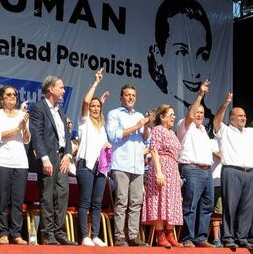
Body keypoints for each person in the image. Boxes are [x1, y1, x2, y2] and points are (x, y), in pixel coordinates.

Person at [147, 0, 214, 135]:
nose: (195, 72)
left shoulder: (214, 124)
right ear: (158, 56)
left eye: (202, 55)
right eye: (182, 53)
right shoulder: (169, 126)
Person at [29, 75, 76, 245]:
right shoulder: (38, 108)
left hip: (62, 158)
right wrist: (44, 159)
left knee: (62, 194)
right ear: (50, 89)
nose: (63, 91)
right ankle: (47, 233)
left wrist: (69, 155)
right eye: (61, 87)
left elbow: (67, 135)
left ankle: (59, 232)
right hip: (48, 158)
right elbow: (37, 135)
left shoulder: (60, 110)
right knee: (47, 195)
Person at [106, 84, 151, 247]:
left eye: (133, 95)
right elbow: (113, 136)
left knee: (136, 202)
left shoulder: (139, 115)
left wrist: (146, 126)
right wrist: (137, 126)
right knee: (122, 201)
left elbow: (146, 139)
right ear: (121, 97)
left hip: (138, 165)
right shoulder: (114, 114)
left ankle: (133, 236)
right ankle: (119, 236)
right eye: (127, 95)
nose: (131, 97)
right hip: (121, 164)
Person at [0, 85, 30, 245]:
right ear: (2, 98)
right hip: (3, 160)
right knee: (2, 199)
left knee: (18, 200)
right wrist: (17, 128)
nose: (12, 96)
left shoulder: (22, 114)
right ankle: (3, 233)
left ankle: (16, 233)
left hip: (20, 162)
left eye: (14, 94)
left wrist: (24, 127)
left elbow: (26, 139)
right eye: (8, 94)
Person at [176, 80, 215, 247]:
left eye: (202, 113)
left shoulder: (203, 131)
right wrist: (200, 95)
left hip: (207, 172)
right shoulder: (184, 126)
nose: (199, 115)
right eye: (197, 112)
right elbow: (191, 116)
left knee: (207, 206)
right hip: (191, 169)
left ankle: (201, 238)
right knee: (190, 205)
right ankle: (187, 238)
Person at [76, 68, 111, 247]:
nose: (95, 108)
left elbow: (103, 145)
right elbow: (86, 100)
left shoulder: (102, 126)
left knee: (97, 203)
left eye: (98, 107)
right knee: (85, 201)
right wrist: (96, 82)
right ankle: (84, 236)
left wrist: (107, 146)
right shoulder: (84, 121)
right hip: (86, 165)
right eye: (93, 107)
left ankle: (95, 234)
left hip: (100, 168)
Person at [213, 92, 253, 249]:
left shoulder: (250, 132)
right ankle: (228, 236)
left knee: (248, 207)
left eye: (244, 115)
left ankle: (242, 237)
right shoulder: (225, 130)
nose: (243, 118)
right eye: (240, 116)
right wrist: (225, 104)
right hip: (231, 171)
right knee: (230, 205)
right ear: (231, 118)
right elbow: (216, 121)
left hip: (249, 172)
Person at [141, 104, 183, 248]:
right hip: (162, 167)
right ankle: (160, 234)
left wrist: (176, 175)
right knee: (159, 200)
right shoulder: (158, 129)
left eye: (174, 115)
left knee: (171, 201)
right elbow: (153, 150)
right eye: (171, 114)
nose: (173, 117)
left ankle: (170, 234)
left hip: (172, 169)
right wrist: (159, 171)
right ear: (162, 117)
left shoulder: (172, 133)